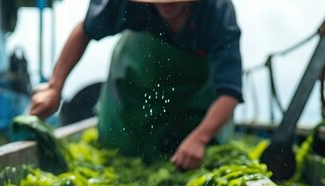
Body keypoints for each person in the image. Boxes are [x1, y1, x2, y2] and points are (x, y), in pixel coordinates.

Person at [30, 0, 242, 170]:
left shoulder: (217, 12)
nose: (166, 4)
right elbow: (84, 30)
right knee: (121, 154)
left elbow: (230, 91)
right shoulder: (128, 5)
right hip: (135, 90)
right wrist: (55, 86)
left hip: (195, 101)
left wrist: (200, 137)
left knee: (200, 162)